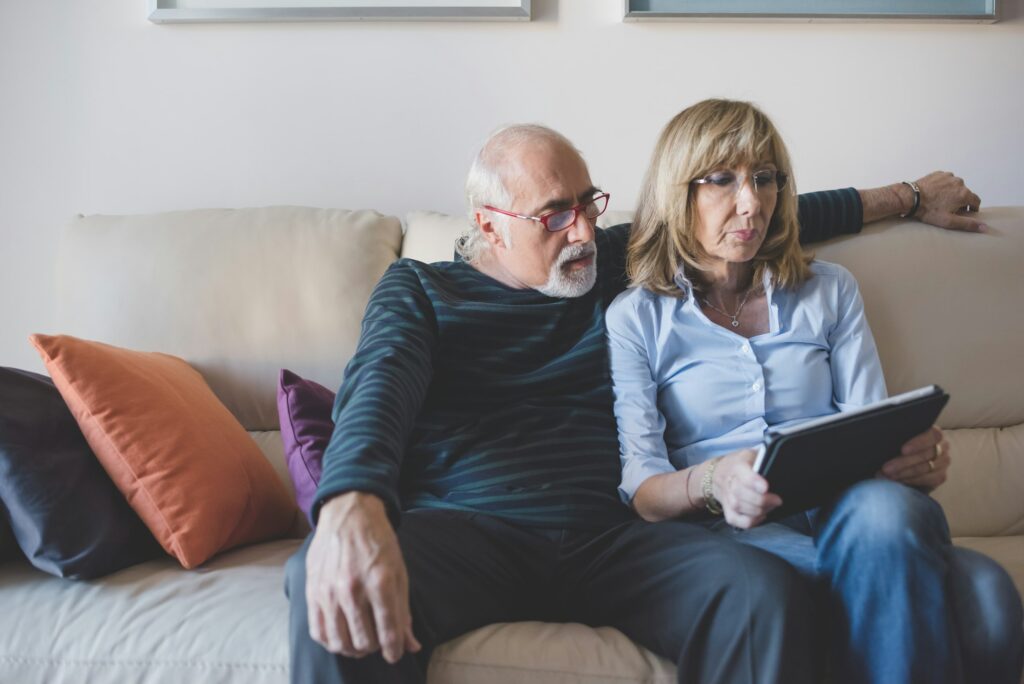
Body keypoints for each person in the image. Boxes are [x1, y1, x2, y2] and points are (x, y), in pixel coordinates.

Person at [285, 120, 989, 684]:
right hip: (471, 530)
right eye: (553, 216)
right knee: (327, 579)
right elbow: (376, 394)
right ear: (489, 225)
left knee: (759, 596)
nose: (584, 233)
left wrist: (906, 196)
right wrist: (350, 505)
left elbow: (754, 219)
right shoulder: (421, 290)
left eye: (588, 204)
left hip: (614, 538)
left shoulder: (613, 261)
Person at [606, 99, 1024, 684]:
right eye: (722, 180)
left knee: (884, 513)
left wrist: (907, 462)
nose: (751, 202)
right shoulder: (637, 318)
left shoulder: (830, 290)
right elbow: (644, 489)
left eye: (766, 179)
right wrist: (715, 478)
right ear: (680, 194)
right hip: (729, 532)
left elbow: (869, 424)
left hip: (853, 512)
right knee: (984, 597)